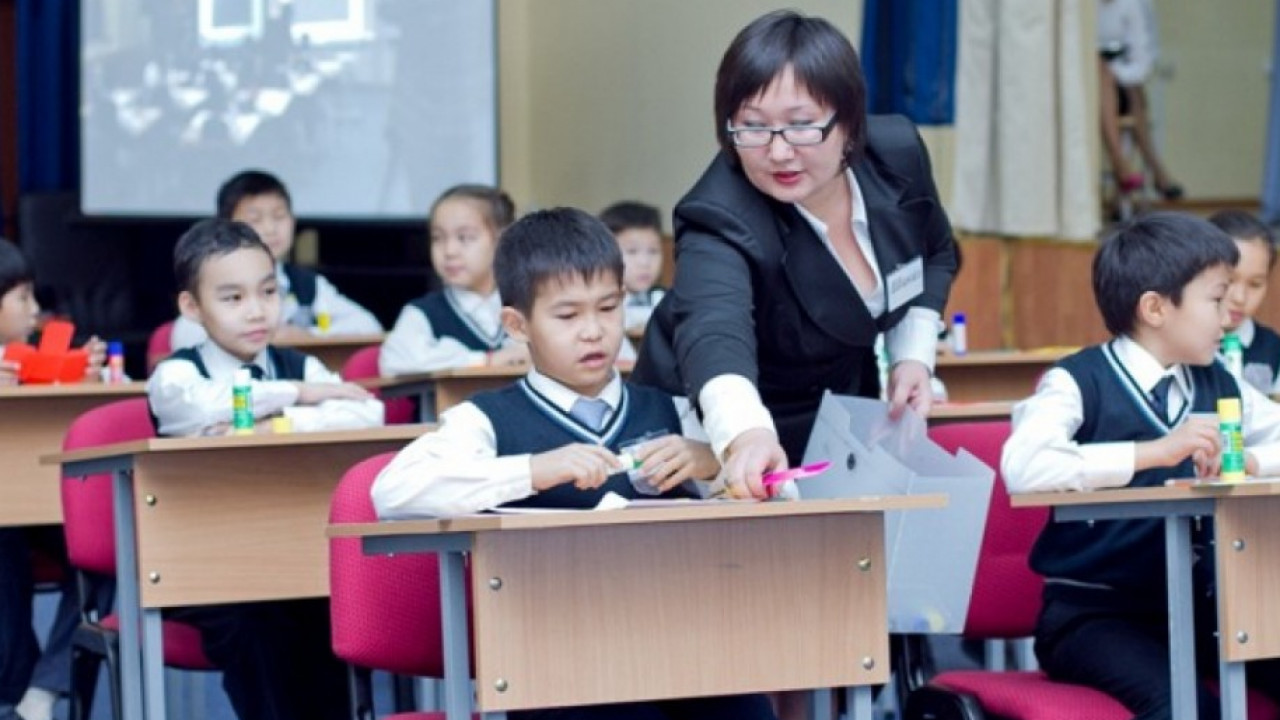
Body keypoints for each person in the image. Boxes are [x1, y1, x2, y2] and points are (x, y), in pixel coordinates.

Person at [372, 207, 774, 720]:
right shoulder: (487, 420)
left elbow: (781, 493)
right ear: (517, 324)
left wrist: (710, 464)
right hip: (551, 665)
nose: (593, 332)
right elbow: (394, 491)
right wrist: (531, 470)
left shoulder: (672, 409)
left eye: (607, 309)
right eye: (567, 316)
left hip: (682, 645)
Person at [632, 9, 959, 501]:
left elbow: (934, 253)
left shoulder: (897, 152)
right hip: (704, 427)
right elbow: (714, 331)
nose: (779, 152)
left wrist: (912, 357)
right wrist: (746, 433)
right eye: (753, 127)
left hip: (834, 406)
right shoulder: (718, 213)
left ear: (848, 122)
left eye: (802, 126)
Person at [1001, 212, 1280, 719]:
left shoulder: (1217, 381)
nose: (1228, 317)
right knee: (1184, 708)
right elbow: (1025, 466)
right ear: (1155, 308)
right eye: (1216, 300)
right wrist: (1155, 452)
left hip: (1203, 612)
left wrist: (1251, 460)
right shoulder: (1077, 381)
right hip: (1095, 617)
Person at [148, 218, 381, 720]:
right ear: (192, 307)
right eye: (232, 299)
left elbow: (365, 411)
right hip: (205, 569)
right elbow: (193, 407)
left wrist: (276, 418)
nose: (257, 311)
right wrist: (299, 398)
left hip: (295, 560)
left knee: (329, 618)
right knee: (256, 627)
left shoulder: (302, 364)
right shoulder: (178, 373)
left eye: (269, 292)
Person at [0, 238, 111, 720]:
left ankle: (44, 689)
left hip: (45, 504)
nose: (35, 310)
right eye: (22, 297)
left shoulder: (28, 359)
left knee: (110, 545)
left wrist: (82, 376)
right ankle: (16, 688)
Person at [170, 170, 383, 350]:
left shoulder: (305, 284)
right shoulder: (214, 281)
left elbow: (369, 327)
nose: (270, 229)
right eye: (255, 219)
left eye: (279, 216)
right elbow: (184, 335)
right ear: (226, 225)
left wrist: (306, 336)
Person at [379, 185, 530, 375]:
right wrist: (486, 361)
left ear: (503, 240)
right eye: (438, 238)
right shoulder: (423, 313)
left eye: (465, 238)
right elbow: (394, 361)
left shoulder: (527, 306)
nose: (449, 251)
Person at [1098, 0, 1183, 201]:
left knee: (1131, 90)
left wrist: (1114, 72)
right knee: (1101, 74)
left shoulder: (1133, 5)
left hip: (1122, 83)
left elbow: (1141, 62)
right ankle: (1144, 168)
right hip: (1095, 85)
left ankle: (1124, 171)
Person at [1210, 210, 1280, 394]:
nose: (1240, 298)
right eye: (1229, 280)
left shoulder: (1273, 347)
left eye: (1255, 284)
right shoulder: (1178, 343)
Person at [600, 201, 667, 333]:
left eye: (653, 251)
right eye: (632, 251)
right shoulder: (601, 306)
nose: (645, 262)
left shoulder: (665, 300)